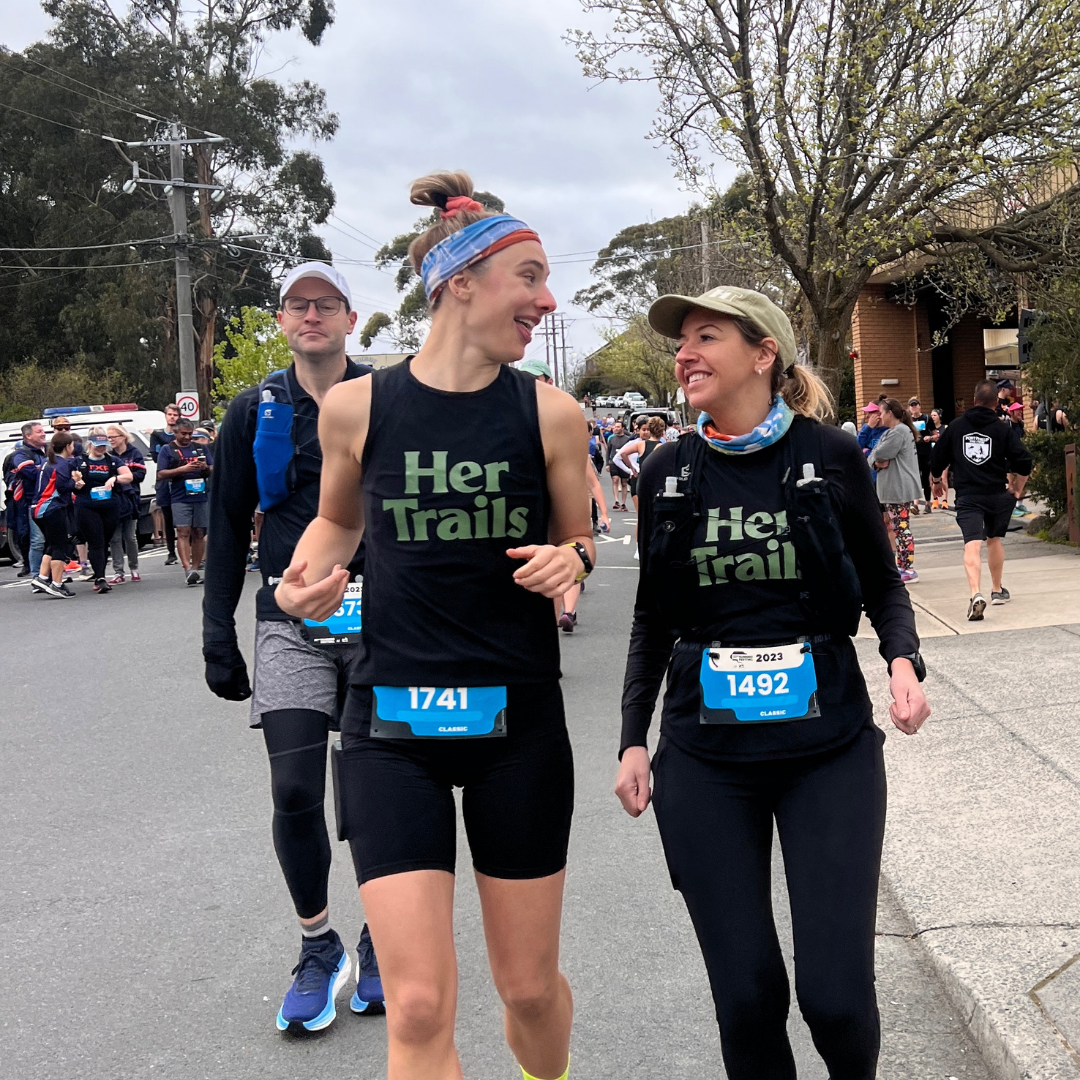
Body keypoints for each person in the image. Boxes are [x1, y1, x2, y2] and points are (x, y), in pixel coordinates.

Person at [275, 171, 592, 1080]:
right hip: (390, 726)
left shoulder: (550, 414)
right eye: (528, 276)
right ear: (461, 282)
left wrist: (573, 559)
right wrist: (304, 581)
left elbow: (578, 536)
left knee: (527, 990)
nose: (546, 296)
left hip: (516, 725)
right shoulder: (358, 407)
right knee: (414, 1002)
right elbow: (338, 521)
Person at [615, 284, 928, 1080]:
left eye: (706, 336)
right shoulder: (667, 470)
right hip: (706, 761)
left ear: (764, 354)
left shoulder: (829, 457)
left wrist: (901, 660)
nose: (685, 352)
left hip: (828, 753)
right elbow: (653, 615)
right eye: (681, 339)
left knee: (836, 1000)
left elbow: (883, 584)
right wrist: (631, 739)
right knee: (748, 998)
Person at [204, 262, 383, 1032]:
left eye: (326, 304)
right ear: (282, 320)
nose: (311, 316)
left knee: (380, 793)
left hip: (384, 620)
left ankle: (385, 938)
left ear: (351, 317)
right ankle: (320, 944)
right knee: (294, 791)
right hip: (288, 624)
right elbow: (224, 522)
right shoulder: (253, 410)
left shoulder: (389, 399)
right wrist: (217, 632)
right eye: (296, 305)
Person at [931, 380, 1033, 621]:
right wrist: (1017, 488)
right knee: (993, 540)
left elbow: (937, 458)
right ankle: (997, 590)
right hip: (996, 493)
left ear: (974, 400)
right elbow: (1025, 461)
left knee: (972, 543)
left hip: (968, 495)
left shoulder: (955, 427)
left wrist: (937, 481)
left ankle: (975, 593)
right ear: (996, 403)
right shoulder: (1002, 429)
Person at [868, 399, 924, 584]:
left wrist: (875, 459)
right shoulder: (893, 432)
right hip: (893, 488)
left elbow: (879, 453)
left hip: (898, 488)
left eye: (882, 412)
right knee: (899, 527)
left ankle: (907, 568)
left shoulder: (899, 432)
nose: (879, 416)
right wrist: (875, 461)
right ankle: (903, 566)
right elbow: (872, 457)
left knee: (901, 528)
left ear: (890, 413)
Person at [73, 427, 132, 594]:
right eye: (98, 446)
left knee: (105, 541)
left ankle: (100, 575)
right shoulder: (80, 461)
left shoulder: (112, 461)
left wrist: (115, 478)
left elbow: (129, 476)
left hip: (110, 506)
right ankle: (100, 578)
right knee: (96, 541)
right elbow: (71, 478)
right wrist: (77, 483)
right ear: (90, 444)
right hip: (87, 506)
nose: (102, 449)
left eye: (104, 445)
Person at [157, 419, 212, 585]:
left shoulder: (200, 448)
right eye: (184, 434)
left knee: (199, 532)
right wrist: (183, 469)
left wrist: (204, 468)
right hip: (180, 496)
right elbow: (161, 474)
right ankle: (187, 568)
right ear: (175, 433)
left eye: (190, 434)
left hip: (200, 495)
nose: (188, 437)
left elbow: (213, 467)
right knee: (183, 531)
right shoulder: (168, 450)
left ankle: (195, 568)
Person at [30, 432, 79, 599]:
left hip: (38, 508)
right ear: (67, 447)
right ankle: (56, 584)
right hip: (51, 508)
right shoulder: (61, 464)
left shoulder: (48, 462)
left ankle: (42, 578)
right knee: (60, 545)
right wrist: (76, 482)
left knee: (51, 543)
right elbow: (62, 486)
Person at [106, 424, 146, 583]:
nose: (110, 441)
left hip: (130, 498)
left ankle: (134, 568)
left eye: (112, 437)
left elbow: (140, 474)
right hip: (114, 499)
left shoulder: (134, 453)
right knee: (114, 538)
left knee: (130, 536)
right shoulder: (108, 455)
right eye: (108, 438)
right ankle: (118, 571)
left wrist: (123, 478)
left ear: (122, 437)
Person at [9, 422, 48, 577]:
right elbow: (30, 473)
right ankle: (36, 575)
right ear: (28, 435)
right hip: (32, 502)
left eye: (43, 430)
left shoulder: (45, 452)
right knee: (37, 541)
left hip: (50, 501)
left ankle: (50, 575)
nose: (43, 433)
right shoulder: (21, 454)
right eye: (39, 431)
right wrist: (48, 470)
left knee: (50, 541)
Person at [151, 403, 181, 563]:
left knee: (184, 518)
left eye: (175, 415)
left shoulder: (181, 435)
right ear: (165, 415)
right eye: (170, 414)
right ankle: (171, 552)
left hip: (181, 481)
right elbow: (157, 457)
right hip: (164, 481)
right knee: (168, 518)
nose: (172, 418)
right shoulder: (157, 435)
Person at [907, 398, 933, 513]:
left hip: (926, 451)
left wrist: (930, 438)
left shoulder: (927, 418)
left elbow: (936, 434)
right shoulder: (908, 420)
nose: (914, 407)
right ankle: (916, 504)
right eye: (911, 405)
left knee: (926, 477)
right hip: (913, 451)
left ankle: (927, 503)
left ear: (919, 406)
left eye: (915, 405)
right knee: (915, 477)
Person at [606, 419, 632, 511]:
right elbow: (608, 451)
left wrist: (630, 464)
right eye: (615, 426)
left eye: (618, 427)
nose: (615, 428)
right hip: (613, 462)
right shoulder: (611, 438)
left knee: (624, 483)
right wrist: (607, 463)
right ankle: (616, 501)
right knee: (615, 479)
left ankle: (623, 503)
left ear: (623, 428)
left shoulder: (628, 439)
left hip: (624, 463)